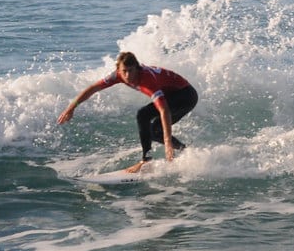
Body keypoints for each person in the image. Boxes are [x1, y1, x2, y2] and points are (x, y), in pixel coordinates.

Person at [57, 51, 198, 172]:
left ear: (137, 69)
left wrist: (167, 141)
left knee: (143, 115)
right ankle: (186, 151)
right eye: (124, 71)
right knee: (154, 131)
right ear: (118, 70)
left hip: (185, 96)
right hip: (172, 94)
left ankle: (146, 161)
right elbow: (93, 89)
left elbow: (164, 110)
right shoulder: (117, 75)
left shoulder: (147, 80)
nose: (128, 75)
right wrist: (71, 108)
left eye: (131, 70)